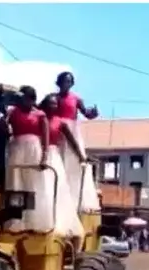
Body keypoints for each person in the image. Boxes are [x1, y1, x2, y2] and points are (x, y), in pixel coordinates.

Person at [3, 86, 61, 233]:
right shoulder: (12, 112)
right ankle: (16, 222)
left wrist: (45, 156)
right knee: (16, 183)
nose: (21, 101)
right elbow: (4, 127)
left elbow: (46, 138)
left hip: (34, 150)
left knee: (33, 185)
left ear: (31, 99)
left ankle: (34, 221)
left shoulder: (40, 115)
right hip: (16, 148)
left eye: (24, 98)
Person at [37, 93, 86, 237]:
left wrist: (81, 155)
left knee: (53, 189)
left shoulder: (60, 122)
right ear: (44, 105)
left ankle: (54, 221)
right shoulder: (38, 117)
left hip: (52, 155)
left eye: (56, 104)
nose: (53, 106)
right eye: (50, 103)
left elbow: (72, 141)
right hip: (35, 153)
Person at [54, 72, 100, 213]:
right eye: (64, 81)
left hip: (72, 130)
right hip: (58, 130)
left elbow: (86, 113)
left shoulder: (76, 99)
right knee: (59, 161)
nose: (66, 84)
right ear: (59, 83)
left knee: (74, 163)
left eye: (69, 81)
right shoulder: (53, 98)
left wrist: (94, 113)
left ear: (72, 83)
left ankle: (75, 199)